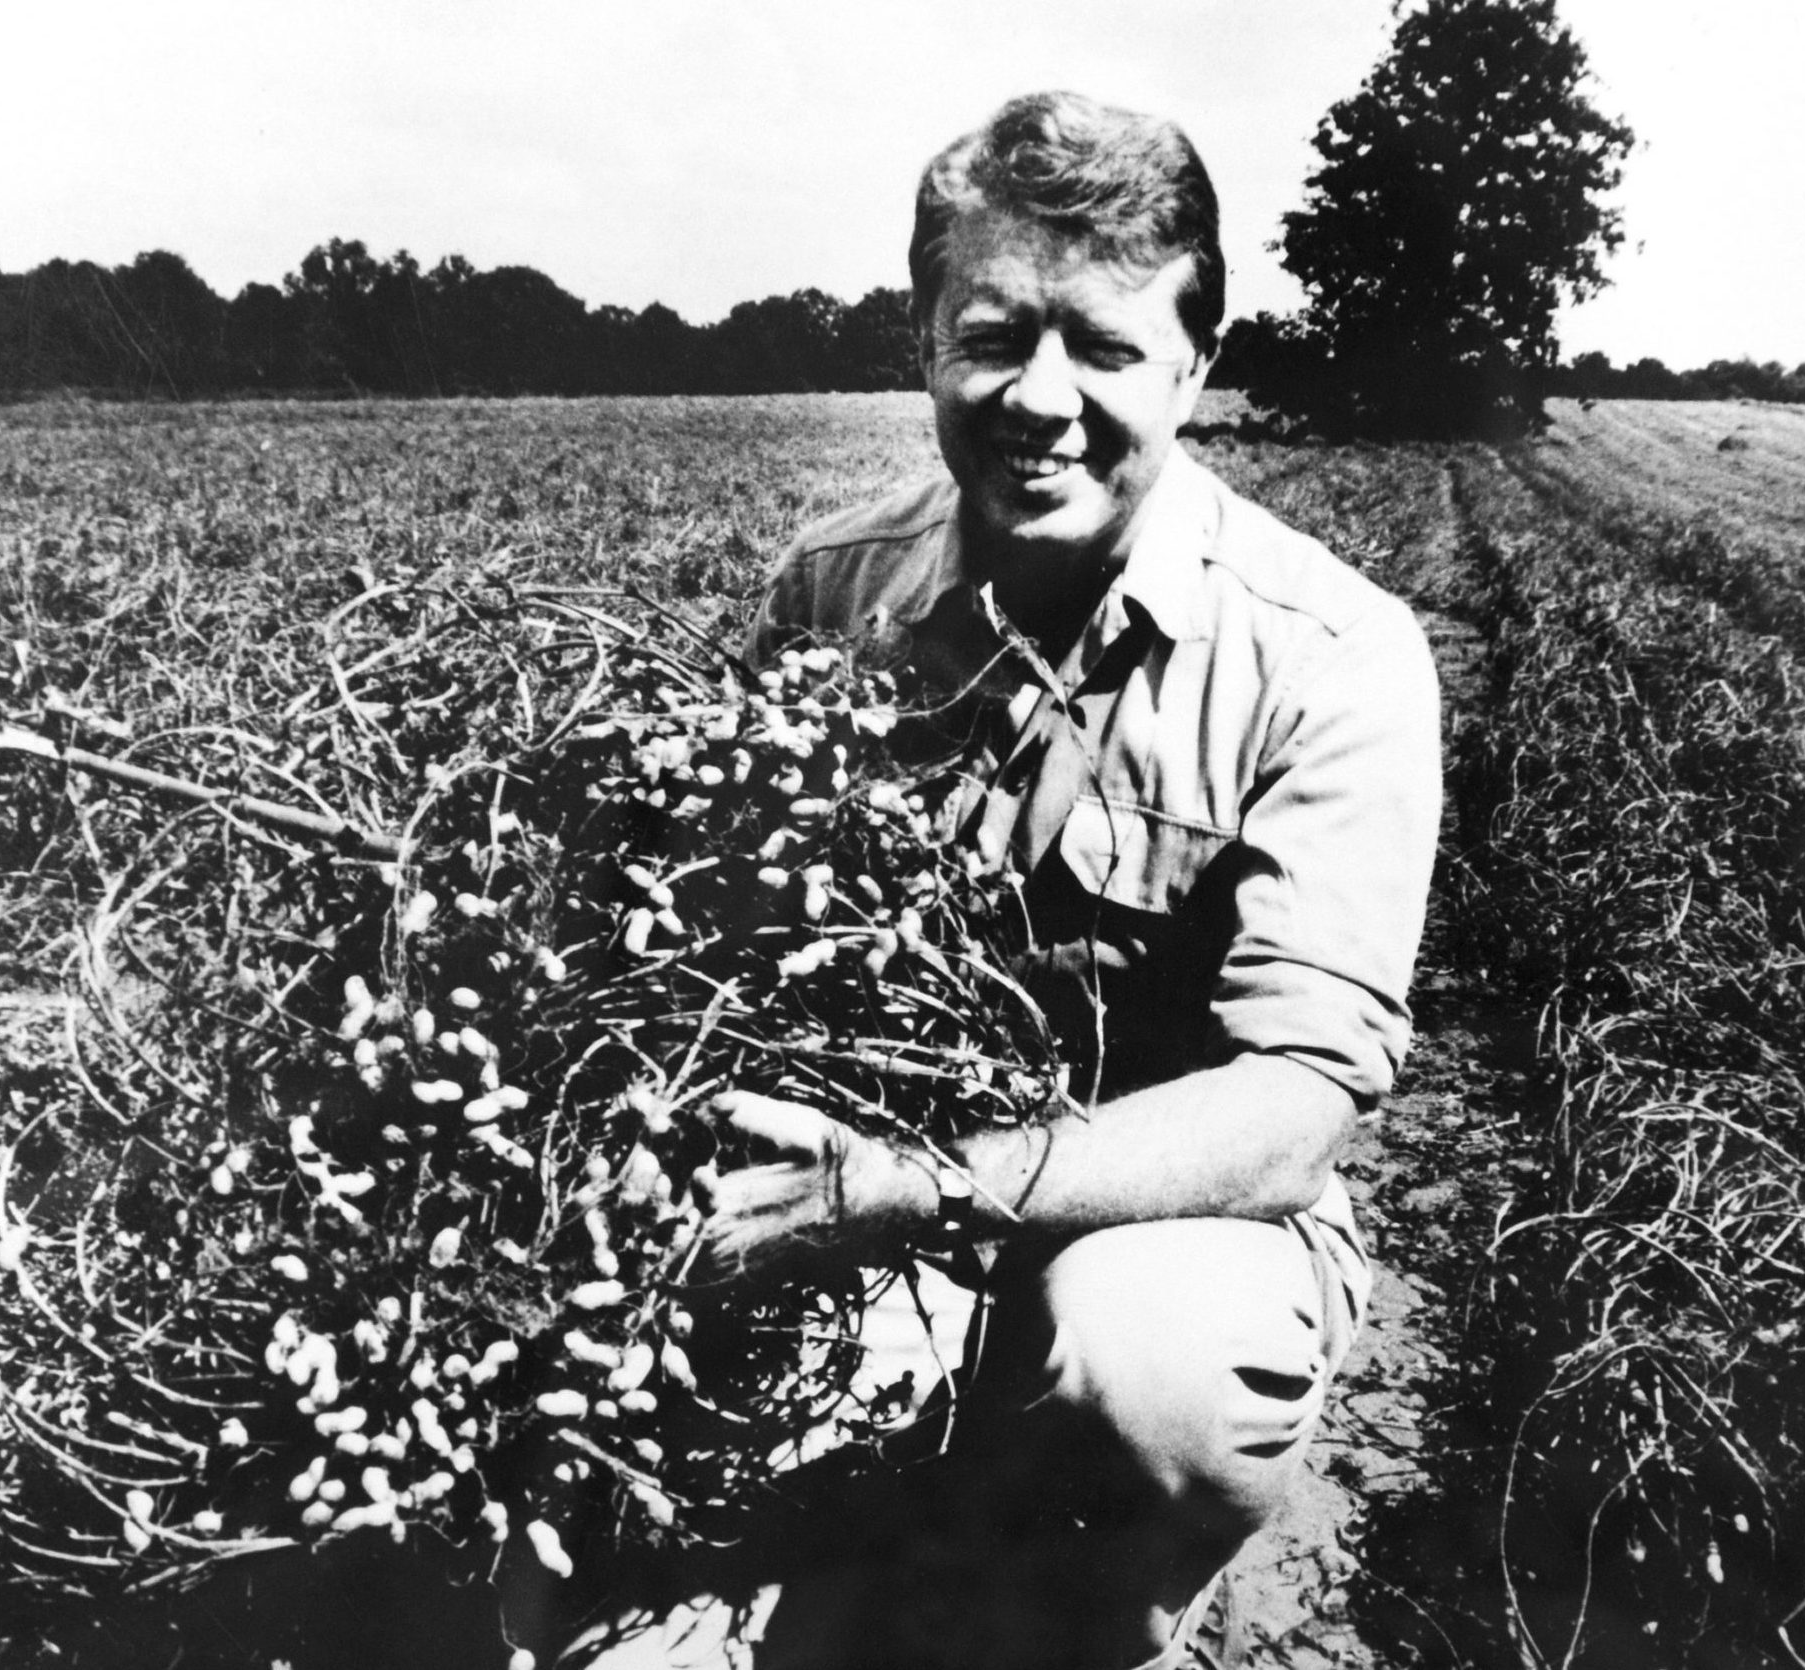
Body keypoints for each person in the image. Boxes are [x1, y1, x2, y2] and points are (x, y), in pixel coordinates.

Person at [570, 89, 1439, 1670]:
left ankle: (1076, 1622)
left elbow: (1294, 1103)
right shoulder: (832, 592)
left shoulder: (1332, 657)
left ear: (1191, 360)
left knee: (1144, 1348)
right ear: (922, 341)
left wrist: (916, 1186)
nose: (1040, 398)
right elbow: (705, 962)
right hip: (846, 1209)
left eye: (1103, 347)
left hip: (1162, 1228)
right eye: (991, 335)